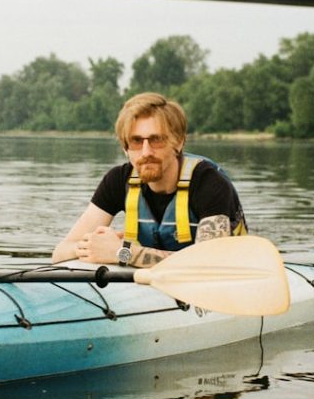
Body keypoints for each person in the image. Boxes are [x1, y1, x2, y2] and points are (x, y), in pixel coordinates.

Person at [52, 92, 247, 268]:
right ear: (125, 148)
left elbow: (208, 265)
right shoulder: (117, 181)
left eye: (156, 139)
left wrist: (122, 252)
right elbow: (60, 253)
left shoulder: (210, 183)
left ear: (178, 142)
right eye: (136, 141)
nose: (146, 152)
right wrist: (93, 246)